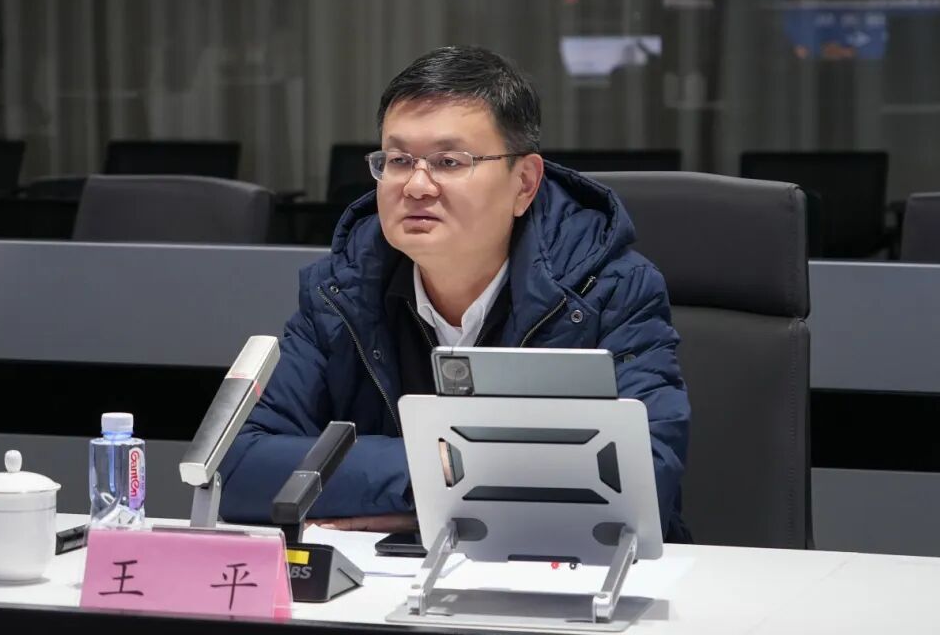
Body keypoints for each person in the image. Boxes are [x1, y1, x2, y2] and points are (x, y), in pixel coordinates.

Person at [219, 45, 691, 541]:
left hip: (575, 574)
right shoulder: (339, 291)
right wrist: (435, 487)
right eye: (398, 160)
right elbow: (242, 467)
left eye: (448, 161)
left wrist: (423, 498)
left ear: (524, 183)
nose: (417, 186)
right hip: (388, 577)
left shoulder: (610, 290)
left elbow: (646, 476)